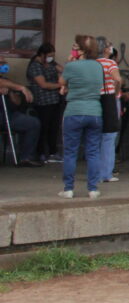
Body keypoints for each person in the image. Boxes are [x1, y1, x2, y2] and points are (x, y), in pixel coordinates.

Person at [58, 35, 105, 197]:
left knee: (70, 152)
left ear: (81, 50)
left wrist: (69, 63)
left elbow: (61, 82)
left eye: (75, 47)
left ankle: (68, 188)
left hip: (74, 111)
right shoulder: (99, 67)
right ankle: (93, 188)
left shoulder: (72, 66)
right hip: (95, 112)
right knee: (93, 152)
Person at [25, 43, 63, 163]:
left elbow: (63, 70)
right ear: (42, 54)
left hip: (56, 100)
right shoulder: (35, 66)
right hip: (43, 101)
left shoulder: (51, 64)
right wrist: (60, 85)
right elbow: (43, 84)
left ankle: (53, 152)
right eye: (49, 55)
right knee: (43, 127)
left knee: (54, 128)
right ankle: (40, 153)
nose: (51, 58)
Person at [0, 67, 42, 168]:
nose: (4, 65)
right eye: (1, 63)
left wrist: (10, 92)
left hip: (10, 115)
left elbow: (17, 102)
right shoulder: (4, 82)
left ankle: (26, 158)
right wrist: (22, 88)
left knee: (32, 123)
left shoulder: (7, 82)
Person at [97, 38, 122, 182]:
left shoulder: (91, 62)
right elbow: (117, 79)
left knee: (95, 137)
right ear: (106, 49)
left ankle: (94, 172)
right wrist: (116, 93)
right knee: (109, 137)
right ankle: (106, 173)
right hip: (109, 100)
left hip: (93, 100)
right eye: (109, 46)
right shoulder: (110, 63)